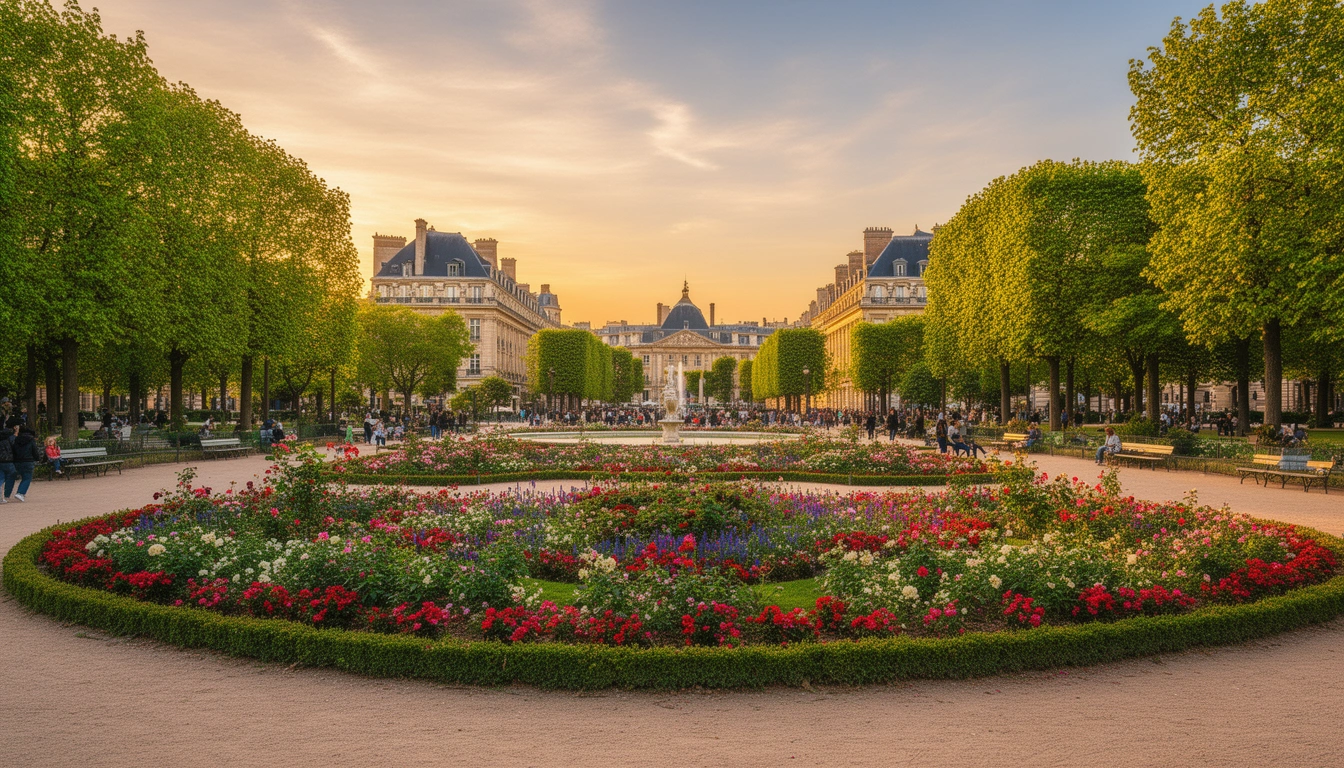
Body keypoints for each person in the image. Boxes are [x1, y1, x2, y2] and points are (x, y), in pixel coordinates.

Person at [6, 427, 42, 502]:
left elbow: (13, 450)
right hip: (28, 461)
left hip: (17, 461)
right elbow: (34, 450)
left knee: (11, 477)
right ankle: (20, 492)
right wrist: (37, 458)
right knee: (27, 478)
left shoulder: (16, 439)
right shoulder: (31, 440)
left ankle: (6, 494)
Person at [0, 426, 15, 504]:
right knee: (11, 475)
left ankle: (1, 496)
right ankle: (6, 494)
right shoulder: (9, 440)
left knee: (1, 478)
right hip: (8, 460)